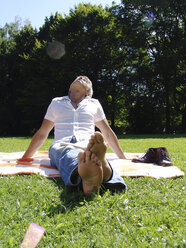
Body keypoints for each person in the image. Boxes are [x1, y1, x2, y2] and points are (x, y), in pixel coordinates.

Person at [22, 76, 127, 194]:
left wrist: (123, 157)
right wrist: (25, 157)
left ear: (87, 92)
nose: (81, 77)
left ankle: (88, 175)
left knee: (86, 152)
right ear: (69, 89)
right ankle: (105, 172)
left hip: (87, 144)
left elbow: (107, 132)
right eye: (78, 78)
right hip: (61, 144)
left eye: (85, 80)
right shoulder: (56, 102)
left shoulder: (94, 103)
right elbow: (43, 132)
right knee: (68, 152)